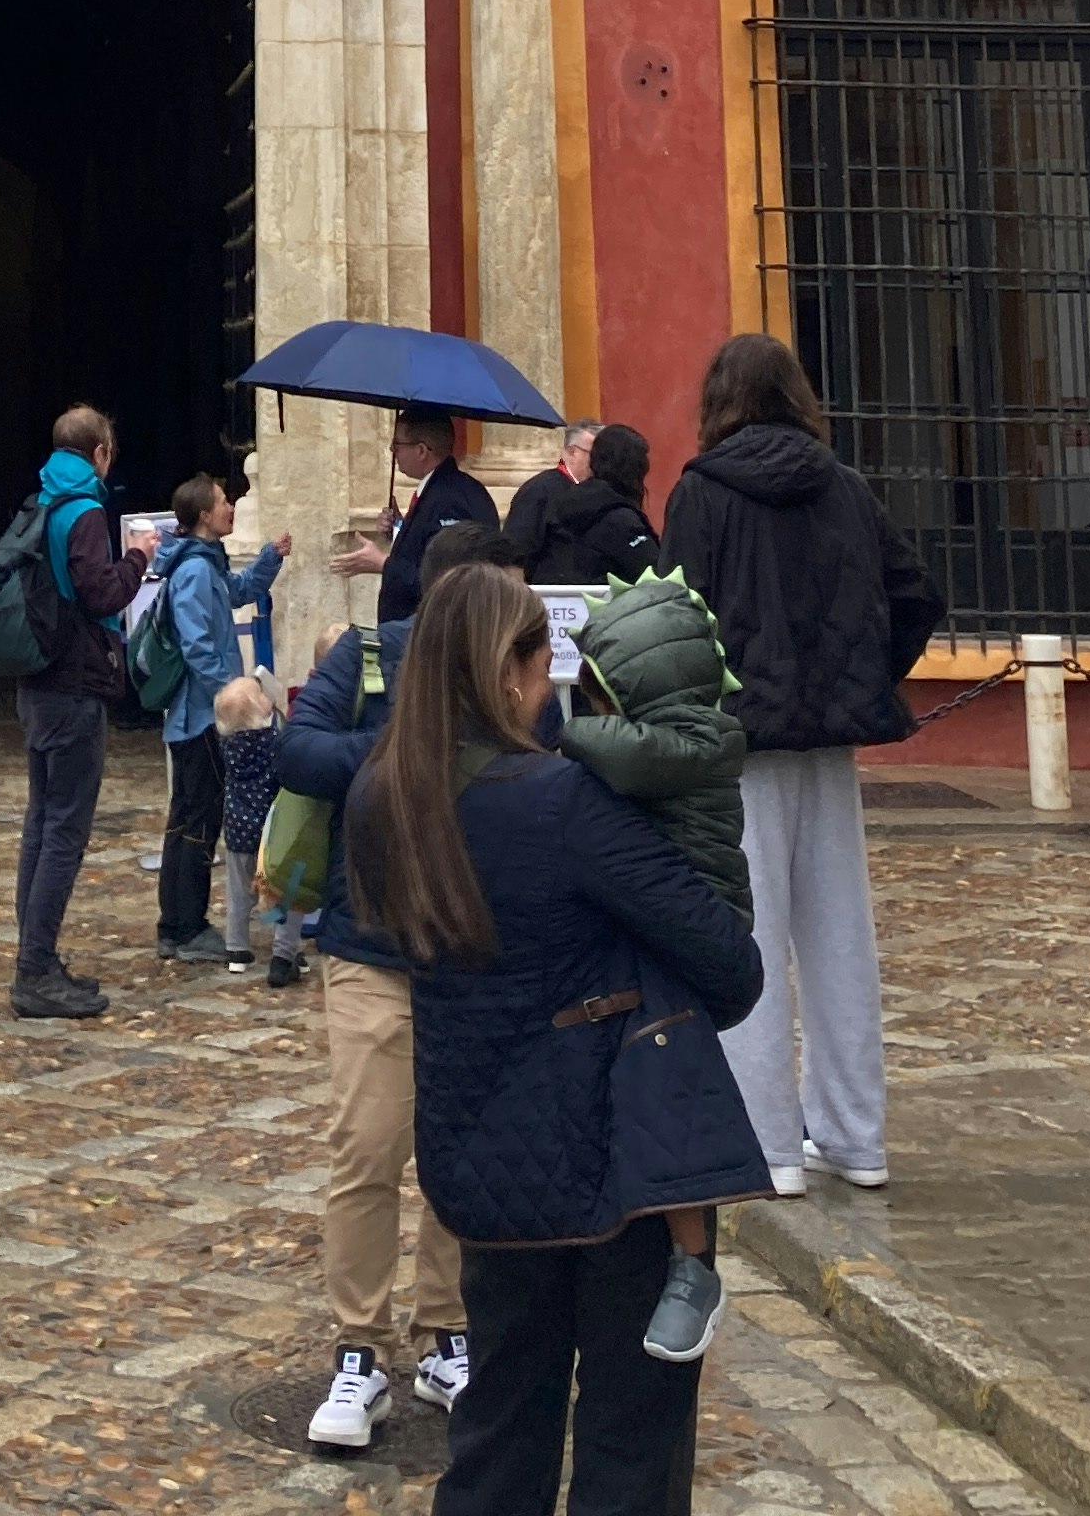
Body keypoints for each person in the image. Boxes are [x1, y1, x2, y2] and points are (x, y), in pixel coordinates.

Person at [365, 559, 768, 1516]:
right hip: (611, 1156)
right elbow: (729, 963)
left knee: (500, 1427)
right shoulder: (560, 802)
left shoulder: (381, 801)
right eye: (545, 666)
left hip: (479, 1156)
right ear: (508, 674)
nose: (553, 688)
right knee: (632, 1442)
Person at [662, 333, 941, 1200]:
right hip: (830, 740)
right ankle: (856, 1135)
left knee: (745, 932)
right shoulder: (846, 487)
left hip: (741, 744)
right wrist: (866, 675)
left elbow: (676, 619)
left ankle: (767, 1143)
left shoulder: (702, 492)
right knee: (840, 937)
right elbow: (918, 593)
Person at [278, 516, 506, 1450]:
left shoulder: (510, 675)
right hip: (371, 944)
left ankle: (446, 1330)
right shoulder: (368, 659)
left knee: (462, 1152)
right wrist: (401, 756)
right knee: (368, 1148)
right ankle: (359, 1348)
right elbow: (298, 751)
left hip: (474, 950)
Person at [559, 569, 753, 1364]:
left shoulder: (695, 743)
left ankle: (693, 1265)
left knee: (675, 1094)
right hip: (657, 924)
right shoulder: (687, 735)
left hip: (700, 925)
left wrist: (558, 724)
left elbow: (621, 755)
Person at [9, 402, 143, 1020]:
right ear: (101, 453)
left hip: (37, 681)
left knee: (41, 822)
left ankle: (35, 955)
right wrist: (138, 558)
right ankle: (34, 971)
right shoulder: (85, 509)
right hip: (73, 684)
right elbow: (100, 593)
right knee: (64, 830)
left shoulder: (40, 502)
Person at [152, 471, 289, 963]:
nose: (231, 506)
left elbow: (239, 589)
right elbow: (198, 647)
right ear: (205, 515)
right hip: (201, 718)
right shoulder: (193, 570)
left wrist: (270, 557)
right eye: (223, 501)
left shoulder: (205, 563)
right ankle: (184, 927)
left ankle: (178, 925)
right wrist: (234, 695)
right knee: (196, 823)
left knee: (190, 818)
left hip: (205, 714)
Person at [338, 409, 501, 625]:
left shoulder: (450, 499)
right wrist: (399, 529)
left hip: (433, 630)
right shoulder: (443, 488)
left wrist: (383, 564)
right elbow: (427, 544)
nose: (392, 451)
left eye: (397, 444)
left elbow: (446, 579)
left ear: (421, 450)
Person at [212, 672, 302, 982]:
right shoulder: (274, 743)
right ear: (259, 711)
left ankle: (237, 948)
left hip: (238, 833)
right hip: (272, 835)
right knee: (285, 891)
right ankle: (285, 953)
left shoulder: (228, 745)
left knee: (239, 892)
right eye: (261, 694)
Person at [499, 425, 662, 590]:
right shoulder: (540, 491)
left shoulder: (586, 498)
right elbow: (514, 553)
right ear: (572, 451)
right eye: (593, 454)